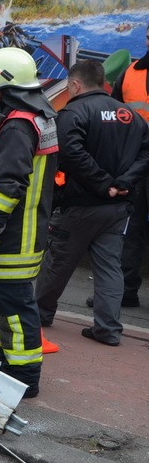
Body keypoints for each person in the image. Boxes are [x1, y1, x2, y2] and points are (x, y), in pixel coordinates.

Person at [36, 60, 149, 346]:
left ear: (75, 85)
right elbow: (145, 154)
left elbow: (71, 153)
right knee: (110, 267)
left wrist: (104, 184)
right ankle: (108, 329)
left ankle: (39, 314)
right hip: (118, 208)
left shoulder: (73, 112)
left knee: (58, 261)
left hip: (81, 205)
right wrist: (123, 183)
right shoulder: (130, 115)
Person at [0, 47, 58, 398]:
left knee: (15, 311)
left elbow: (9, 185)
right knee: (9, 308)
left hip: (10, 238)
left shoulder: (18, 126)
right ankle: (11, 365)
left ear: (5, 84)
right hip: (24, 232)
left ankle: (23, 377)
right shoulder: (36, 117)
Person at [113, 23, 149, 307]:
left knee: (131, 228)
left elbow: (111, 115)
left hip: (134, 161)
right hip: (135, 163)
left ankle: (125, 291)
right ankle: (125, 291)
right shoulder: (130, 72)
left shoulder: (130, 73)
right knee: (130, 227)